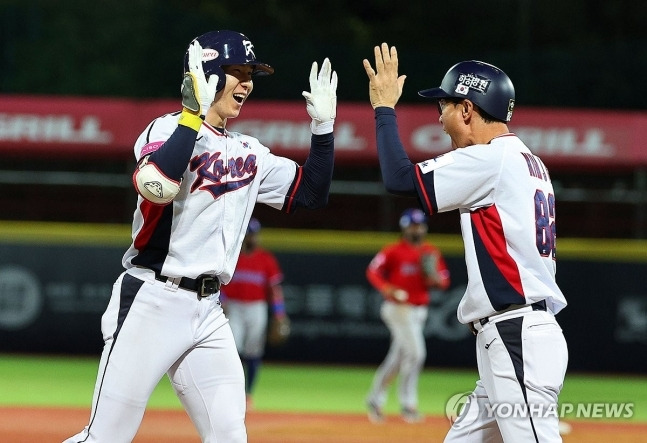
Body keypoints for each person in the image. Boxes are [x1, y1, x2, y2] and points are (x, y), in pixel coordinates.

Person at [64, 30, 337, 443]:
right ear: (206, 73)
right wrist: (193, 113)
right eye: (237, 72)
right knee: (105, 437)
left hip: (209, 310)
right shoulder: (167, 128)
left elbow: (312, 195)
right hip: (152, 300)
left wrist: (323, 128)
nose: (247, 83)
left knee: (230, 436)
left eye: (251, 74)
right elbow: (156, 184)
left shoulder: (250, 150)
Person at [363, 44, 568, 442]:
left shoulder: (493, 158)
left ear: (468, 109)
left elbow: (399, 179)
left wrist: (385, 108)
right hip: (513, 336)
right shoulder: (529, 160)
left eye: (444, 105)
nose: (439, 118)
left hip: (517, 333)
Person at [365, 208, 451, 424]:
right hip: (397, 309)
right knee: (416, 354)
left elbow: (443, 282)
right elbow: (373, 271)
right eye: (413, 225)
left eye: (420, 225)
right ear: (405, 227)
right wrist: (387, 288)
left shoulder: (430, 252)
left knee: (398, 358)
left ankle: (375, 400)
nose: (417, 228)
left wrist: (432, 277)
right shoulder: (393, 251)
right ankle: (408, 404)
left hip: (419, 311)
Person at [221, 217, 288, 410]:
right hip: (234, 307)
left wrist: (280, 314)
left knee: (253, 351)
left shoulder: (266, 259)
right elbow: (218, 282)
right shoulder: (230, 256)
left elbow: (275, 289)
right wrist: (223, 300)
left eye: (254, 234)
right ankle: (232, 391)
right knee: (233, 350)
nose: (252, 238)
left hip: (257, 307)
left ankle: (248, 394)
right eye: (249, 234)